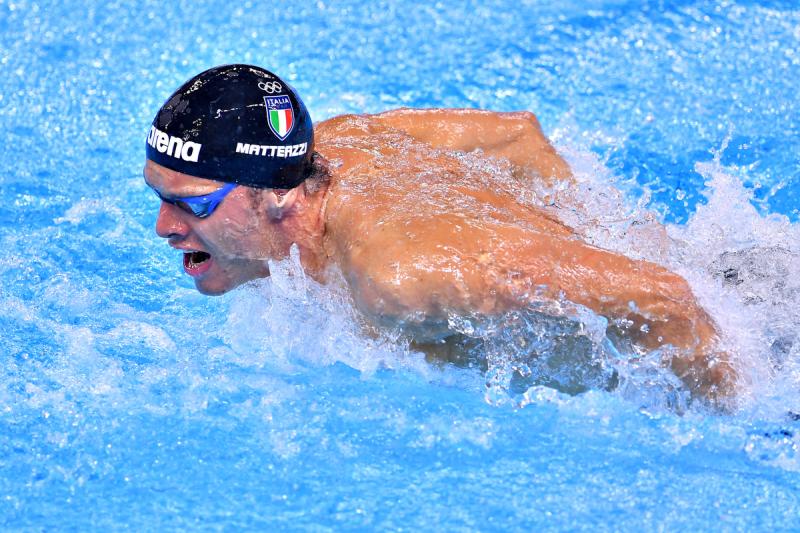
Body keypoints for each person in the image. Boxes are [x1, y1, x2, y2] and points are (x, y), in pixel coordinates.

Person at [144, 64, 736, 403]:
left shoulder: (399, 278)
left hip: (750, 323)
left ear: (277, 195)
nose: (164, 227)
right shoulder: (336, 145)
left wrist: (738, 419)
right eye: (159, 198)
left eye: (192, 205)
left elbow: (667, 297)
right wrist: (592, 230)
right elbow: (516, 136)